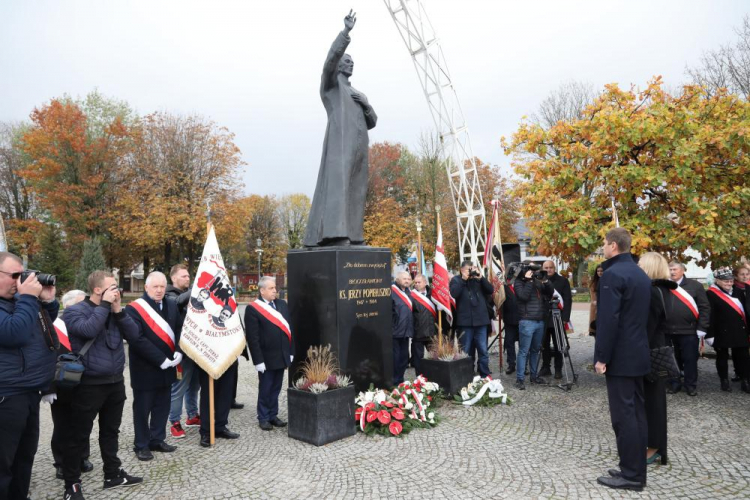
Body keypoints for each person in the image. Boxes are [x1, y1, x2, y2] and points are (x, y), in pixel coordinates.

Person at [62, 270, 143, 500]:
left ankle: (113, 474)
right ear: (97, 290)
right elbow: (87, 330)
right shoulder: (75, 311)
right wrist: (105, 307)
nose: (117, 290)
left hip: (115, 382)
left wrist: (118, 311)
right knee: (78, 436)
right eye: (112, 286)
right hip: (88, 384)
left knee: (110, 432)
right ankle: (71, 484)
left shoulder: (114, 311)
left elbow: (134, 336)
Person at [304, 11, 377, 247]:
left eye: (352, 62)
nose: (350, 63)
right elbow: (329, 62)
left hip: (358, 150)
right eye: (346, 61)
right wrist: (345, 33)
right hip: (339, 148)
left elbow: (373, 120)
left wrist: (365, 103)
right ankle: (335, 235)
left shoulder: (357, 94)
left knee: (356, 190)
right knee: (339, 188)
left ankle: (354, 235)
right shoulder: (332, 87)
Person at [594, 228, 651, 492]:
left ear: (614, 246)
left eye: (604, 244)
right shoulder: (639, 273)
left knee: (624, 417)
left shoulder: (613, 274)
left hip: (620, 357)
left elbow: (608, 321)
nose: (603, 248)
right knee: (636, 414)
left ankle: (631, 475)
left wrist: (601, 357)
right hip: (638, 352)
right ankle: (634, 467)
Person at [0, 252, 58, 500]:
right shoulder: (18, 301)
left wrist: (46, 302)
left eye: (21, 274)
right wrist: (28, 298)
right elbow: (15, 334)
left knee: (24, 458)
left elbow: (41, 329)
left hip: (29, 392)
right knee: (3, 464)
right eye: (13, 275)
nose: (19, 281)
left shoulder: (17, 301)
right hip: (6, 396)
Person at [125, 272, 183, 461]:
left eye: (162, 287)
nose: (159, 290)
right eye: (155, 287)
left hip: (168, 366)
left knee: (162, 407)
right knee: (143, 409)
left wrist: (179, 350)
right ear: (146, 287)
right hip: (145, 369)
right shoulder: (134, 309)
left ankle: (157, 439)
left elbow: (178, 329)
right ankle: (141, 444)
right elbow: (136, 339)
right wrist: (160, 358)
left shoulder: (172, 304)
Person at [49, 290, 93, 480]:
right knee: (62, 425)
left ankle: (82, 457)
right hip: (61, 384)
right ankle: (61, 462)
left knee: (83, 423)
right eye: (81, 304)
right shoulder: (53, 327)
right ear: (67, 307)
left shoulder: (85, 325)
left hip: (85, 383)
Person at [638, 252, 675, 466]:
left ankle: (654, 448)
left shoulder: (653, 291)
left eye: (641, 264)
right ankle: (654, 446)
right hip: (656, 346)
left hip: (651, 350)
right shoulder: (662, 289)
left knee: (653, 402)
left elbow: (647, 327)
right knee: (653, 400)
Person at [245, 277, 294, 431]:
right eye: (271, 288)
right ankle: (263, 417)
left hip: (281, 355)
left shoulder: (281, 304)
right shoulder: (253, 309)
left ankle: (273, 415)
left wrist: (291, 351)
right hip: (266, 358)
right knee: (266, 387)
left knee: (276, 387)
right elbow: (253, 338)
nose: (275, 291)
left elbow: (290, 329)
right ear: (262, 290)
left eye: (275, 288)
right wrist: (258, 360)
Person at [166, 264, 201, 439]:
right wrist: (197, 288)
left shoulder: (184, 294)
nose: (187, 279)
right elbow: (176, 303)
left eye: (188, 276)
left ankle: (192, 415)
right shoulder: (169, 295)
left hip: (194, 349)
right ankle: (174, 422)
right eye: (183, 276)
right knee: (178, 388)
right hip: (180, 350)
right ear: (173, 278)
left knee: (194, 386)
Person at [667, 261, 710, 396]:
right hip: (668, 329)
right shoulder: (664, 285)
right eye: (670, 270)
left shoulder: (695, 286)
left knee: (690, 359)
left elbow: (704, 307)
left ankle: (690, 385)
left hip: (689, 330)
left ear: (682, 271)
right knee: (672, 359)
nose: (672, 272)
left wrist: (702, 327)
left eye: (674, 269)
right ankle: (674, 383)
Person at [705, 267, 749, 393]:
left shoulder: (738, 291)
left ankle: (745, 380)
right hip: (721, 331)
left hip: (739, 330)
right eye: (726, 282)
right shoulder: (711, 294)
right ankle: (724, 380)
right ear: (717, 281)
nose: (729, 284)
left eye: (731, 281)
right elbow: (710, 315)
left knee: (743, 356)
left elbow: (745, 311)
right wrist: (710, 334)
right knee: (722, 357)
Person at [450, 262, 494, 378]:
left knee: (483, 350)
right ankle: (467, 374)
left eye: (473, 268)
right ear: (461, 270)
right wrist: (464, 280)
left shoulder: (478, 280)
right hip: (465, 322)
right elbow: (454, 293)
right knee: (466, 351)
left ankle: (485, 374)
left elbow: (490, 290)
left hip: (481, 321)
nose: (471, 271)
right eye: (468, 269)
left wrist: (481, 278)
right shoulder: (456, 280)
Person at [513, 264, 554, 389]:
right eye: (531, 271)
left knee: (536, 350)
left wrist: (546, 281)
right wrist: (529, 281)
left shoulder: (537, 281)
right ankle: (520, 379)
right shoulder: (519, 282)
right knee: (524, 351)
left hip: (539, 321)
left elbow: (550, 292)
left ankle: (534, 376)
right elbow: (523, 296)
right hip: (527, 321)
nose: (533, 273)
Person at [539, 260, 573, 379]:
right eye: (546, 268)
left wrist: (565, 318)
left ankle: (558, 369)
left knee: (559, 345)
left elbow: (567, 300)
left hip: (557, 317)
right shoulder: (539, 281)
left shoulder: (562, 281)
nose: (548, 270)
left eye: (550, 267)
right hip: (544, 317)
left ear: (554, 268)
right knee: (544, 345)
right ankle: (546, 367)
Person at [410, 274, 436, 376]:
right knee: (418, 360)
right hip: (418, 332)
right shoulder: (411, 295)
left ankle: (435, 377)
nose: (416, 284)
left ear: (425, 282)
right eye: (415, 282)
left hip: (432, 332)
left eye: (419, 282)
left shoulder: (433, 294)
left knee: (435, 358)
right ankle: (420, 379)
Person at [391, 271, 414, 384]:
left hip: (406, 331)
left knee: (405, 358)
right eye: (404, 278)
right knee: (395, 358)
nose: (407, 281)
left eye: (408, 279)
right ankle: (394, 380)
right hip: (395, 332)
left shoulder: (409, 292)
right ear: (398, 279)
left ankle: (400, 379)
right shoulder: (392, 291)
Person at [501, 264, 521, 375]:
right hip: (509, 319)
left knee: (523, 344)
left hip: (522, 318)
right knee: (509, 342)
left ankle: (524, 365)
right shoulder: (504, 285)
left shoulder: (522, 283)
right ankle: (511, 364)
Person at [589, 265, 603, 336]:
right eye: (598, 271)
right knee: (595, 329)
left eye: (601, 271)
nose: (599, 273)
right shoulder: (594, 283)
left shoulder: (607, 281)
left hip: (603, 307)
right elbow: (593, 298)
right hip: (596, 308)